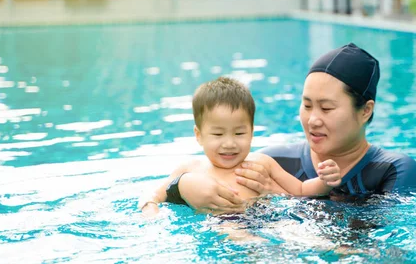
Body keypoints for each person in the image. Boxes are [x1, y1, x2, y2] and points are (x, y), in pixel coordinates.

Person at [150, 43, 416, 214]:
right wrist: (183, 186)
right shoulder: (274, 160)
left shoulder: (393, 170)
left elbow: (380, 241)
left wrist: (279, 194)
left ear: (365, 110)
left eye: (326, 108)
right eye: (306, 106)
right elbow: (217, 177)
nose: (313, 119)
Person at [139, 76, 342, 216]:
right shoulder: (190, 169)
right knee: (230, 230)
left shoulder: (262, 163)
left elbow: (299, 189)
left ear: (252, 133)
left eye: (239, 133)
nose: (229, 143)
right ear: (199, 135)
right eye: (218, 134)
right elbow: (153, 194)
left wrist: (326, 182)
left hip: (268, 219)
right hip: (220, 224)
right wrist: (150, 211)